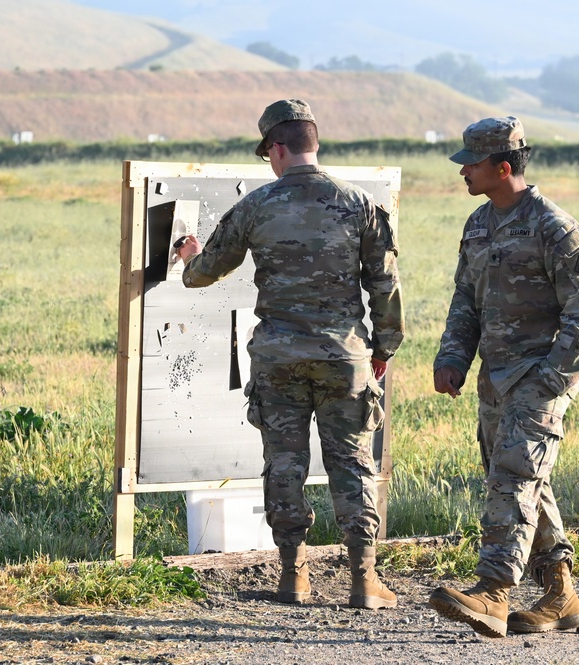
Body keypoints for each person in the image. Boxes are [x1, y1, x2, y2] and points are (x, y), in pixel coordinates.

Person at [176, 99, 405, 608]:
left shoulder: (257, 206)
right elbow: (385, 286)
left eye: (268, 154)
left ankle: (292, 575)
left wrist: (189, 257)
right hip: (343, 357)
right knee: (352, 465)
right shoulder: (361, 205)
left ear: (277, 147)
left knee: (284, 465)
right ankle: (365, 581)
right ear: (312, 143)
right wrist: (383, 346)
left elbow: (202, 274)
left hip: (278, 359)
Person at [428, 116, 579, 637]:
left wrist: (551, 377)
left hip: (539, 377)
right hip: (494, 380)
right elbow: (466, 299)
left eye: (472, 164)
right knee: (526, 482)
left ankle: (494, 592)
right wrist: (452, 355)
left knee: (514, 478)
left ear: (503, 167)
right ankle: (560, 598)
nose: (463, 172)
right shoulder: (478, 224)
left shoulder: (555, 228)